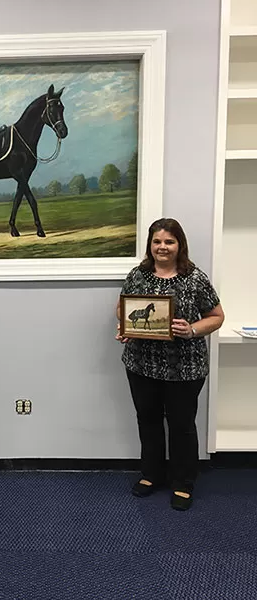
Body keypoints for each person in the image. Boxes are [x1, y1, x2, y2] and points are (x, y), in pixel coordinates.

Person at [116, 218, 224, 511]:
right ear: (150, 245)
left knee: (182, 426)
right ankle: (152, 475)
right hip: (141, 365)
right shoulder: (138, 274)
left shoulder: (196, 278)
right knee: (147, 421)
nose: (162, 247)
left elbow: (216, 316)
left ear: (179, 245)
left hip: (184, 368)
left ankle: (183, 482)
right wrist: (126, 327)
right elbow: (122, 306)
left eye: (169, 242)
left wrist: (191, 330)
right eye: (157, 241)